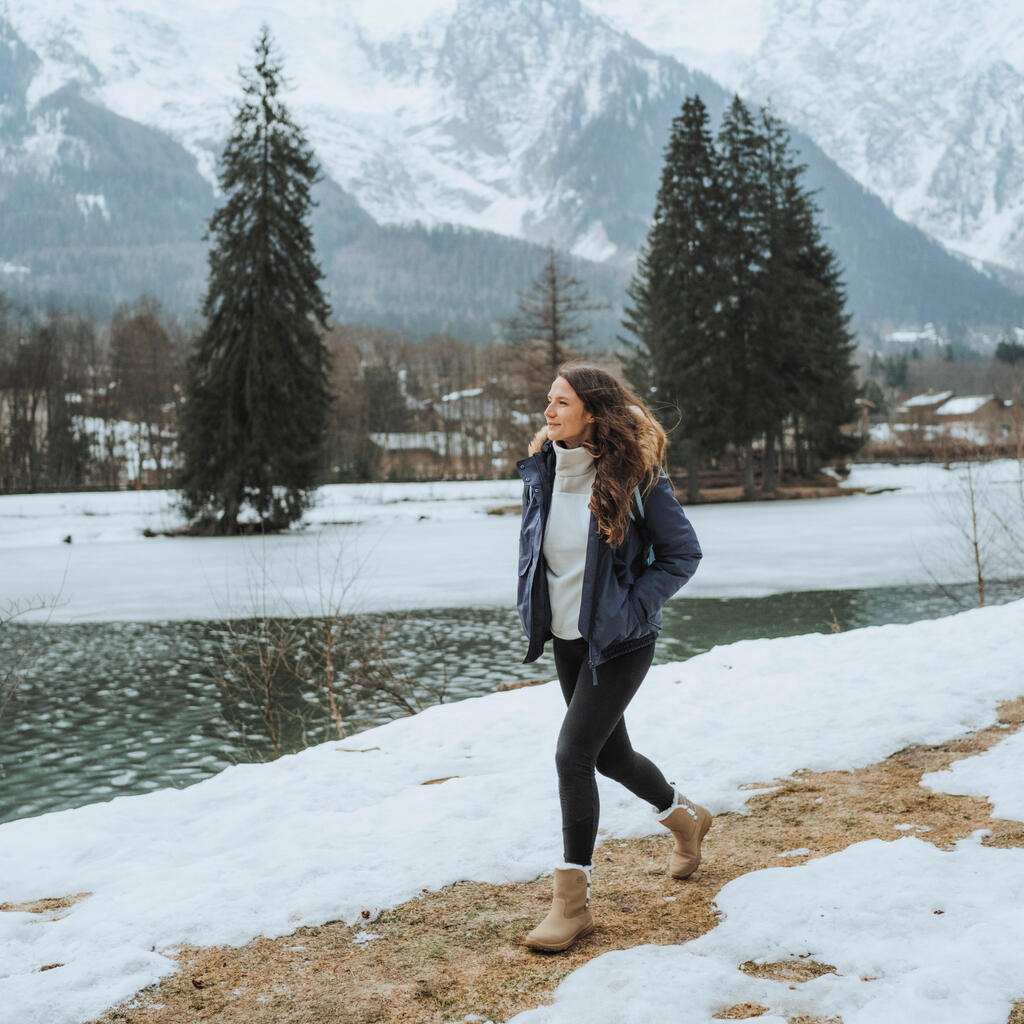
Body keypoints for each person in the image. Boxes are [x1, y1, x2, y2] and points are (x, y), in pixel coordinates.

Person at [515, 363, 706, 953]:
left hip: (621, 641)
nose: (548, 411)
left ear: (592, 412)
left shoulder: (635, 476)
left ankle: (572, 905)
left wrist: (630, 605)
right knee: (611, 756)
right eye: (547, 401)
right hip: (571, 641)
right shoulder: (541, 472)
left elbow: (682, 555)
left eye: (561, 402)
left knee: (573, 754)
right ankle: (684, 818)